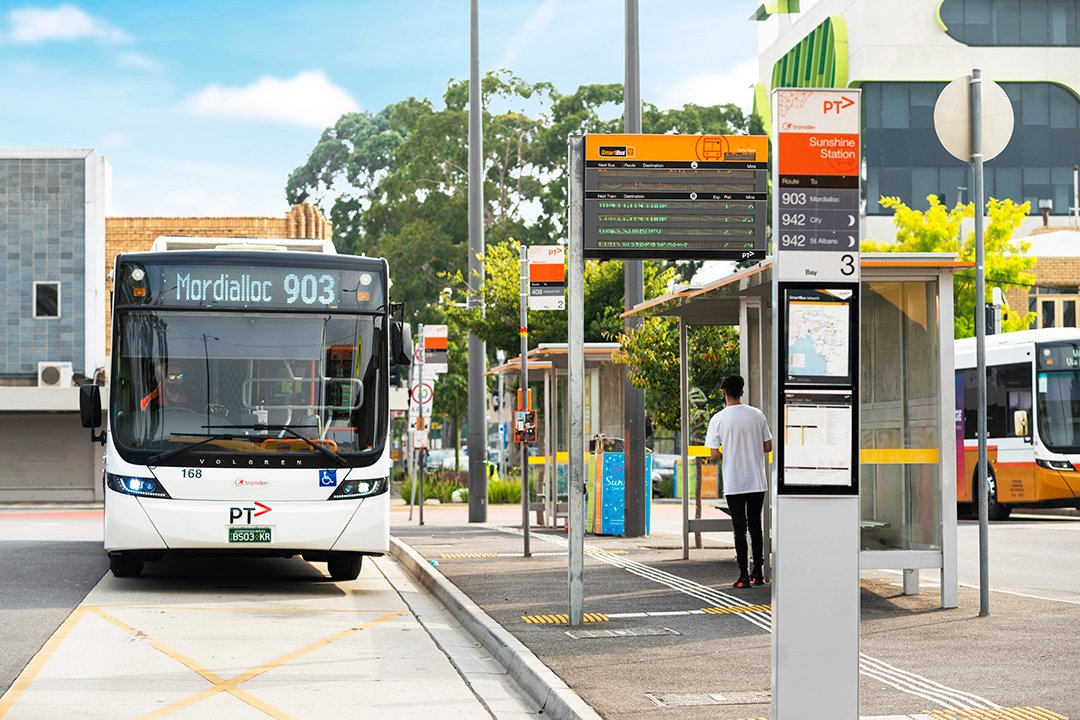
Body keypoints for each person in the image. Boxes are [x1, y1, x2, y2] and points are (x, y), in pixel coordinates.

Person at [704, 374, 773, 589]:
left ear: (724, 393)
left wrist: (730, 453)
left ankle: (743, 575)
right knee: (755, 526)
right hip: (756, 480)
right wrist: (750, 448)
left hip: (734, 481)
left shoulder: (718, 419)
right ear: (742, 391)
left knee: (739, 528)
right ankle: (758, 573)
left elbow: (714, 453)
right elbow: (768, 446)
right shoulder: (757, 415)